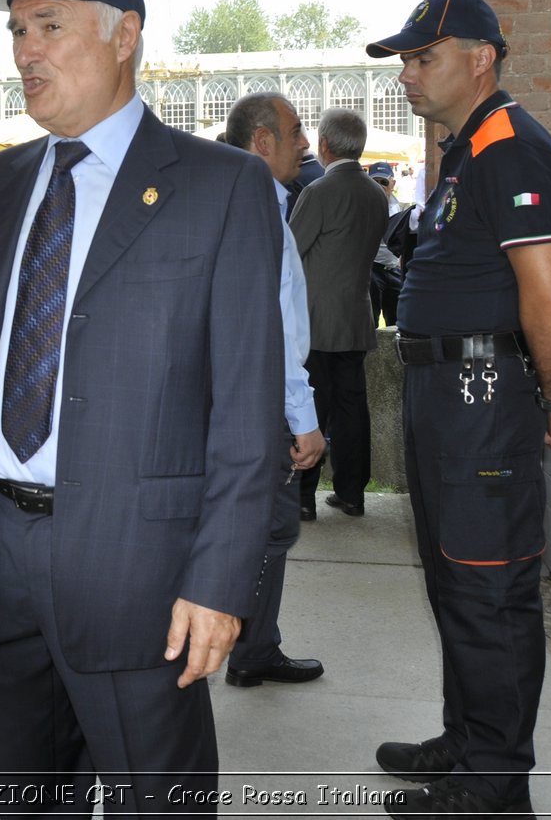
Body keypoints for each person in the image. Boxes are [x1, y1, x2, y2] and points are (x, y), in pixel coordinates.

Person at [0, 0, 284, 809]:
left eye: (49, 26)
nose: (26, 50)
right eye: (17, 31)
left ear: (123, 36)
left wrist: (219, 582)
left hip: (141, 571)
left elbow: (247, 415)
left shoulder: (221, 188)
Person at [366, 0, 551, 819]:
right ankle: (468, 742)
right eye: (407, 62)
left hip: (482, 396)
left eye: (424, 58)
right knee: (457, 580)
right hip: (444, 395)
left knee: (489, 587)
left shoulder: (513, 150)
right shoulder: (469, 150)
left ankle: (495, 783)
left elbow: (550, 301)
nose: (410, 76)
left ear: (481, 57)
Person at [222, 93, 328, 689]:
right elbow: (275, 326)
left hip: (240, 397)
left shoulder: (237, 198)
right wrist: (303, 417)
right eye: (294, 132)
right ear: (263, 141)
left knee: (258, 530)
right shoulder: (257, 205)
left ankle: (254, 645)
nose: (305, 144)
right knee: (269, 532)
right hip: (264, 402)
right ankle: (250, 648)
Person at [289, 108, 388, 519]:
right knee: (352, 409)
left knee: (312, 407)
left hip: (315, 320)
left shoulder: (320, 192)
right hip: (356, 316)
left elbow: (289, 252)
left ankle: (302, 498)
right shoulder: (376, 194)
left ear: (324, 145)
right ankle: (352, 492)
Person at [368, 160, 405, 327]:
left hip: (394, 269)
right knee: (371, 323)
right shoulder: (362, 205)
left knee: (398, 323)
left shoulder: (399, 207)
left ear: (393, 183)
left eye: (384, 182)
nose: (380, 186)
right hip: (373, 270)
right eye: (374, 182)